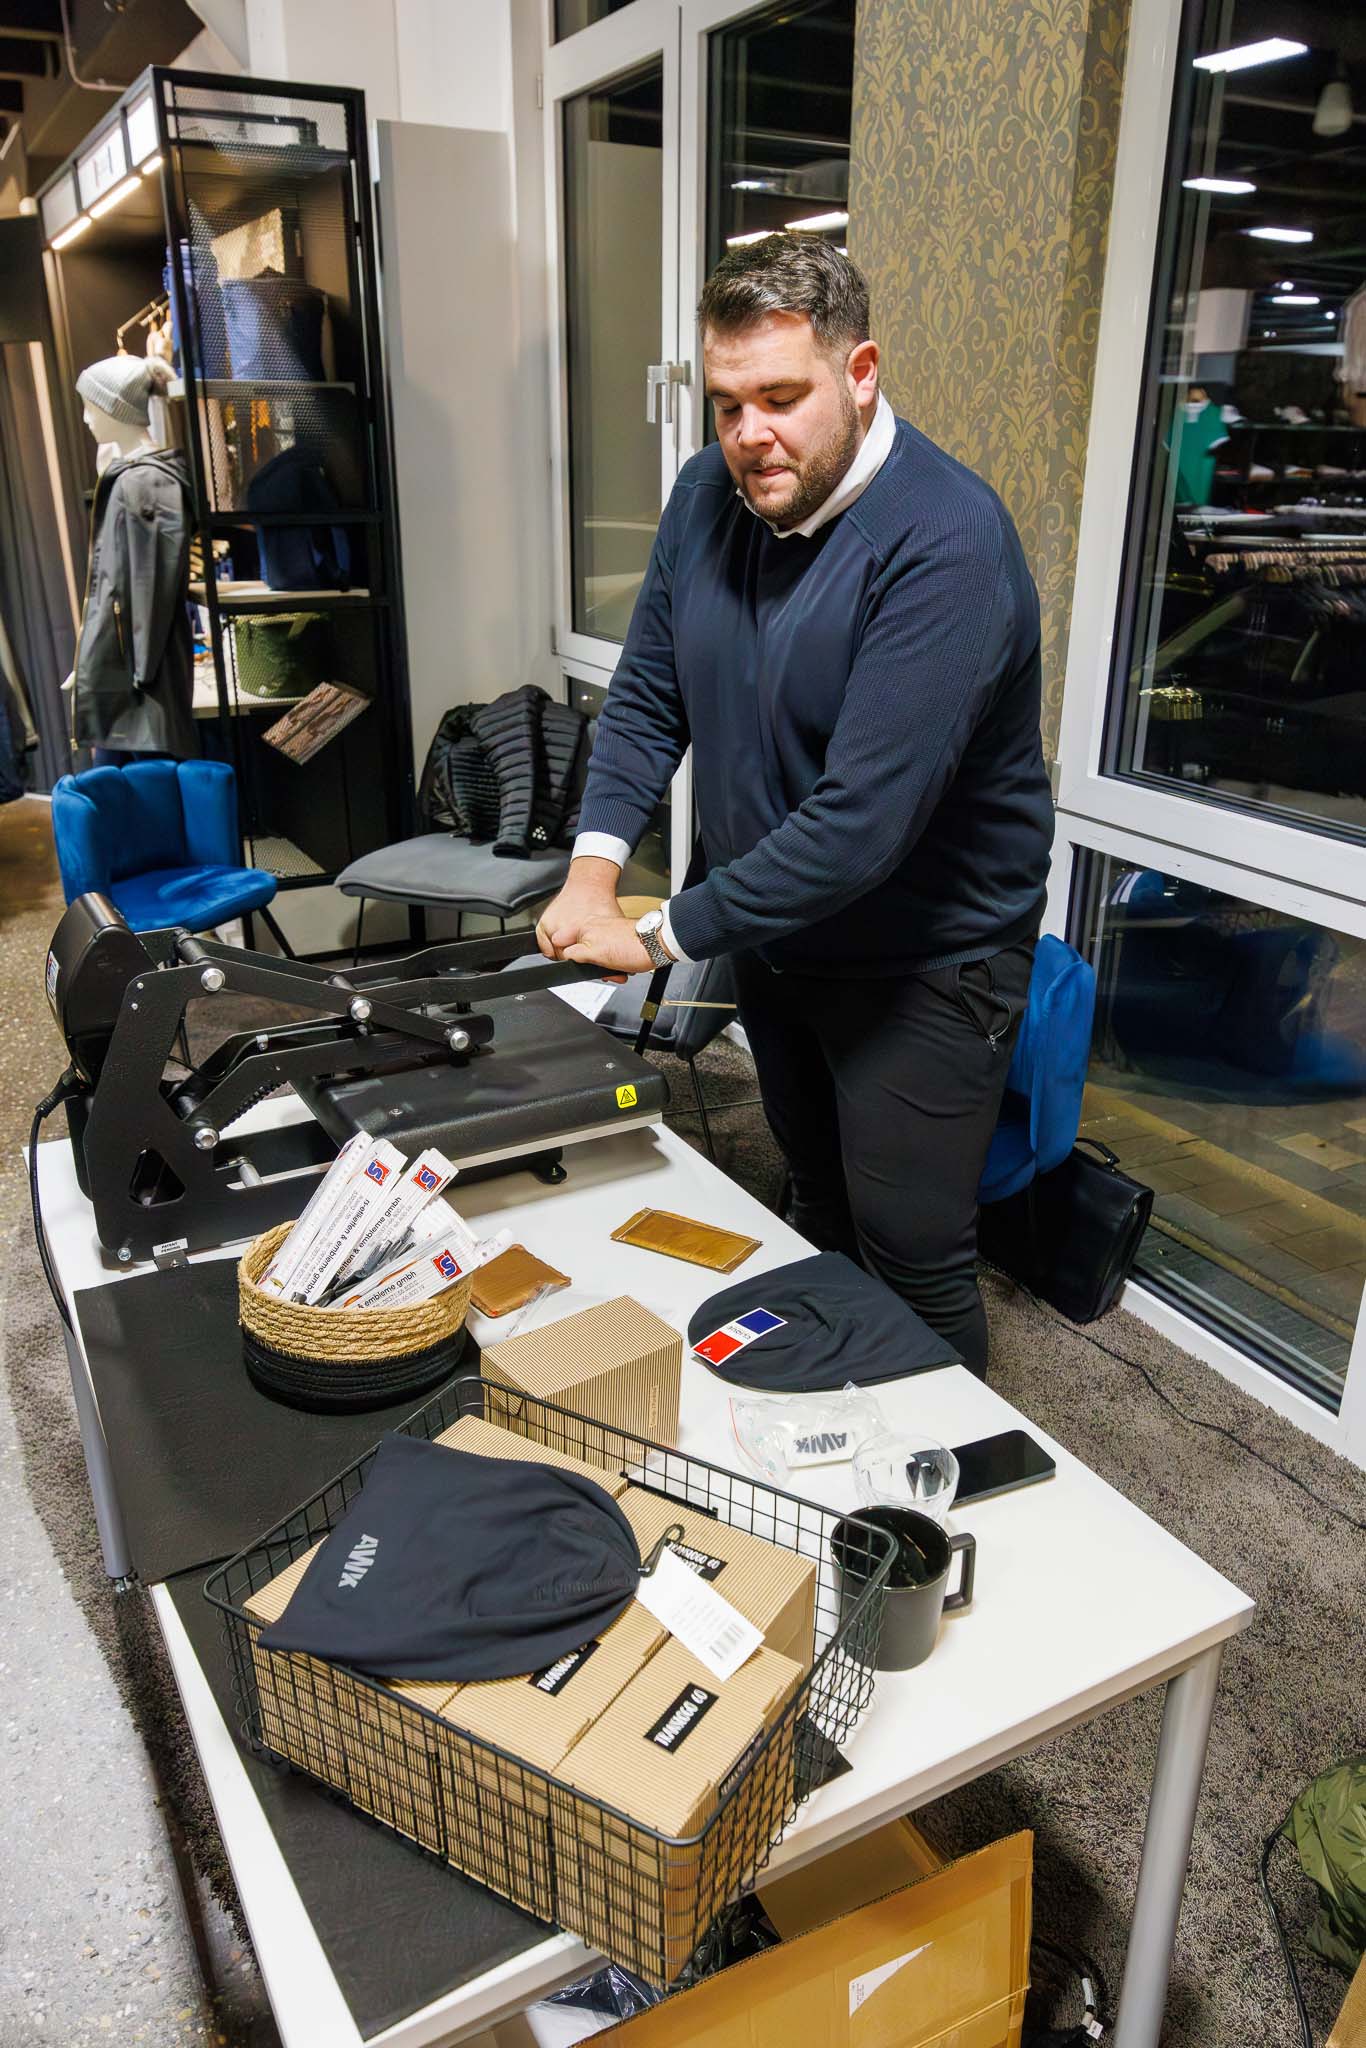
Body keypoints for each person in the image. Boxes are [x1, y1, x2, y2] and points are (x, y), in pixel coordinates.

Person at [537, 235, 1053, 1376]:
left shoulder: (947, 543)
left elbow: (859, 826)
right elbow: (649, 693)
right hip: (775, 927)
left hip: (926, 958)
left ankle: (944, 1467)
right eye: (727, 405)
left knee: (912, 1247)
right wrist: (591, 870)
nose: (749, 434)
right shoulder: (707, 493)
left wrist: (658, 934)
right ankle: (831, 1410)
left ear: (859, 373)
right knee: (811, 1190)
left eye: (780, 398)